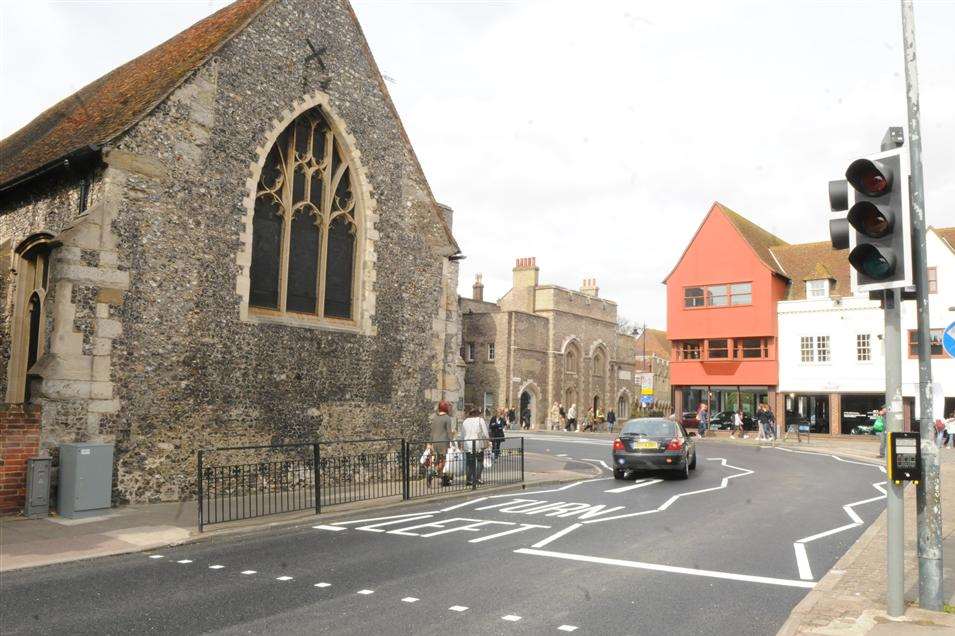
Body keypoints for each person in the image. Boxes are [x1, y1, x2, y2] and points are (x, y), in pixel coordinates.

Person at [460, 407, 490, 486]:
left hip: (467, 443)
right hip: (478, 443)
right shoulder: (480, 420)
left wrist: (462, 443)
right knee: (479, 461)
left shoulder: (465, 421)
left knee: (469, 462)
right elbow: (486, 433)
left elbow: (462, 434)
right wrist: (488, 441)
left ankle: (468, 480)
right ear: (477, 413)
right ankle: (477, 478)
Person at [429, 401, 454, 486]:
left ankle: (443, 478)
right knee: (443, 460)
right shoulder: (447, 418)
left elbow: (432, 431)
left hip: (435, 442)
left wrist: (430, 442)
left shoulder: (435, 417)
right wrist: (453, 443)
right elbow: (449, 432)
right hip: (443, 442)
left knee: (437, 460)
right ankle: (434, 473)